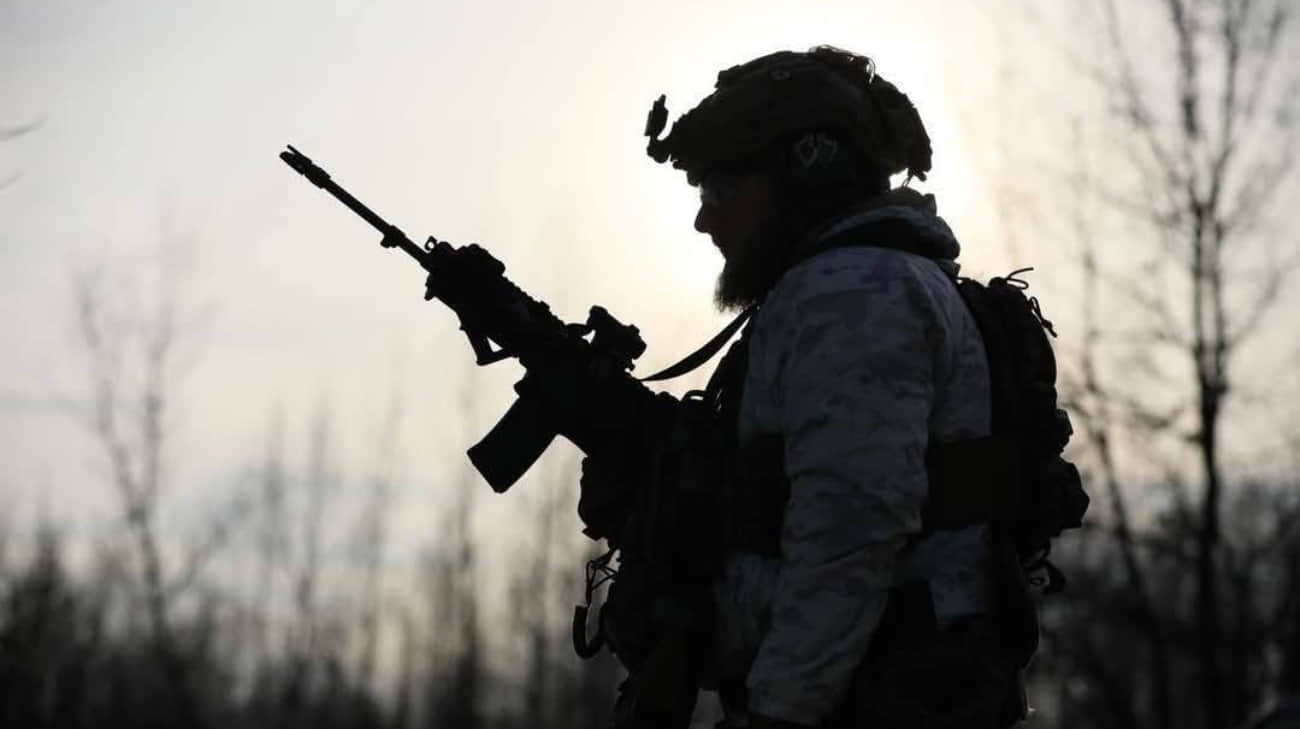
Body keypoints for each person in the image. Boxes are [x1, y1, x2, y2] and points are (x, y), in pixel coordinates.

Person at [642, 46, 1026, 728]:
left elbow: (851, 527)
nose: (705, 219)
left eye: (720, 190)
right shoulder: (849, 286)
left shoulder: (852, 292)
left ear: (803, 175)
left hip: (874, 701)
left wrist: (779, 713)